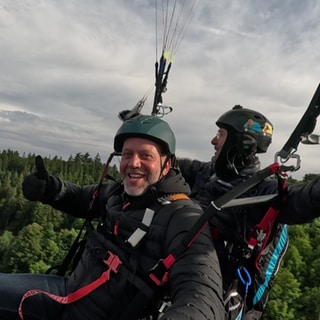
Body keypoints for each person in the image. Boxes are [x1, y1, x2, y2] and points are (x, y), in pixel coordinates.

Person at [0, 114, 225, 320]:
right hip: (69, 294)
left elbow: (201, 292)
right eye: (127, 154)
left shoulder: (183, 216)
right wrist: (51, 189)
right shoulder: (117, 193)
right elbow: (79, 197)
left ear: (166, 165)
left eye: (146, 155)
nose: (133, 163)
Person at [178, 105, 320, 320]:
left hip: (214, 296)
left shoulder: (263, 192)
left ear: (241, 144)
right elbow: (164, 161)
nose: (213, 141)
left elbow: (305, 201)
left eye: (220, 134)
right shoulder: (206, 173)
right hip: (181, 272)